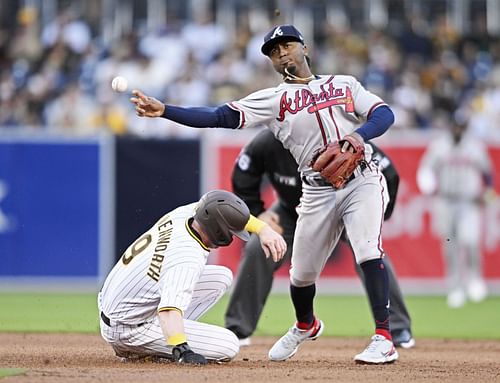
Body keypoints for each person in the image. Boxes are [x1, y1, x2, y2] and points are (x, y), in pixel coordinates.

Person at [130, 24, 398, 364]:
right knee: (300, 275)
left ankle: (384, 337)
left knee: (367, 250)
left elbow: (383, 113)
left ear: (304, 48)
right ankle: (306, 325)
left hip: (362, 179)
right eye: (273, 51)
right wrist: (167, 110)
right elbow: (218, 116)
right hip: (316, 190)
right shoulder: (273, 100)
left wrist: (359, 136)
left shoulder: (343, 84)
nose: (281, 53)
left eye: (286, 45)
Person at [224, 129, 415, 348]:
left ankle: (397, 327)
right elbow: (242, 175)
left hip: (342, 208)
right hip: (291, 211)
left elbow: (388, 171)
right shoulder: (269, 141)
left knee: (370, 251)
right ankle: (237, 329)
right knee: (259, 246)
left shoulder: (336, 134)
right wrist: (259, 213)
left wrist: (379, 213)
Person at [98, 189, 287, 365]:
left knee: (221, 277)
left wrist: (263, 229)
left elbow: (220, 208)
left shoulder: (185, 215)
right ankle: (146, 347)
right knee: (229, 345)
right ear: (219, 230)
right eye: (231, 231)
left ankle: (162, 334)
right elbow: (168, 310)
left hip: (118, 303)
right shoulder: (187, 257)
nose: (233, 235)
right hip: (128, 329)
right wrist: (182, 349)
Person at [417, 112, 494, 308]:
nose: (458, 130)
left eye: (462, 126)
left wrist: (488, 192)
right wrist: (428, 187)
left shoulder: (475, 147)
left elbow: (487, 172)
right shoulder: (439, 146)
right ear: (451, 126)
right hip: (445, 200)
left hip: (469, 201)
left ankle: (475, 279)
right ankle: (455, 287)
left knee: (470, 241)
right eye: (456, 126)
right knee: (450, 245)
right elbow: (425, 170)